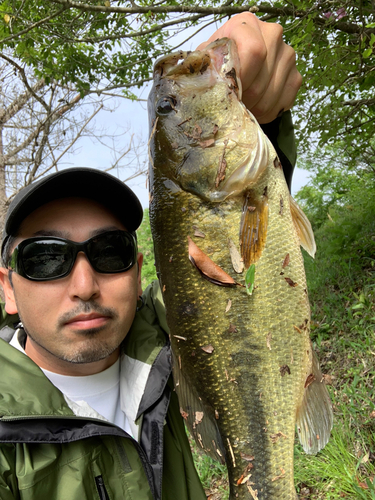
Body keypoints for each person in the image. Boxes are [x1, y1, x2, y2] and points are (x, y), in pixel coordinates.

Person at [0, 13, 302, 500]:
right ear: (6, 287)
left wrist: (264, 115)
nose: (83, 284)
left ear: (141, 271)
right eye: (46, 258)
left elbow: (237, 272)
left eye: (109, 251)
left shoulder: (173, 342)